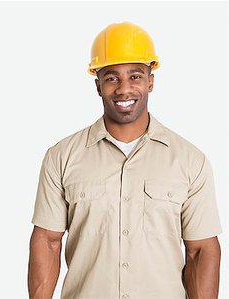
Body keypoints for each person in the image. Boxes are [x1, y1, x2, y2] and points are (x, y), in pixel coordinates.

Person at [27, 22, 222, 299]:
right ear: (98, 86)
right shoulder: (61, 157)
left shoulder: (190, 161)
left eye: (135, 76)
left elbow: (201, 250)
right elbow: (47, 241)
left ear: (151, 81)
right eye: (111, 78)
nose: (124, 89)